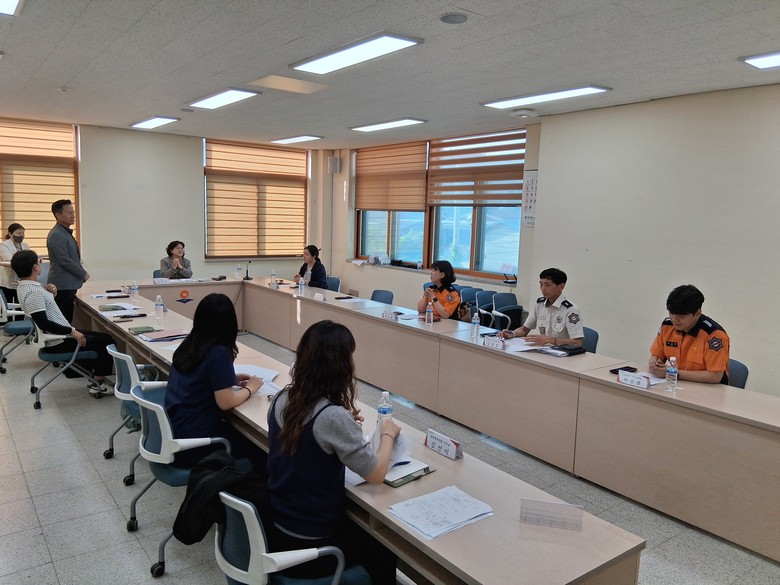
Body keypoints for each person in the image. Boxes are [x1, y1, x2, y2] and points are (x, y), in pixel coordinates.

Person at [266, 320, 400, 585]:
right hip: (312, 545)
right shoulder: (332, 417)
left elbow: (309, 435)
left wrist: (343, 422)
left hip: (278, 530)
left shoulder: (281, 398)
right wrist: (388, 434)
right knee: (385, 547)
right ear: (339, 367)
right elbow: (376, 473)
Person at [165, 293, 265, 470]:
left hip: (175, 431)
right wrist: (251, 388)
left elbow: (198, 377)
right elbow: (226, 402)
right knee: (263, 449)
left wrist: (229, 379)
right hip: (195, 444)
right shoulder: (218, 352)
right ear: (230, 323)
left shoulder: (190, 344)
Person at [12, 249, 115, 394]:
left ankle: (95, 378)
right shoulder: (33, 292)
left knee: (104, 336)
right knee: (107, 342)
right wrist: (73, 332)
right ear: (35, 267)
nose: (40, 264)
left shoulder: (26, 287)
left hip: (59, 335)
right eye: (39, 262)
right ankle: (98, 385)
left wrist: (51, 293)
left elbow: (44, 309)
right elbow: (44, 323)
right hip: (58, 341)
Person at [649, 284, 730, 384]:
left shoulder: (714, 335)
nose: (674, 320)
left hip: (709, 389)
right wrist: (655, 362)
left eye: (681, 317)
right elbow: (657, 355)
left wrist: (674, 372)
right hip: (678, 384)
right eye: (671, 314)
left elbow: (715, 376)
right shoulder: (667, 326)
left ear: (697, 313)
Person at [500, 267, 584, 345]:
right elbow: (524, 330)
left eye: (547, 285)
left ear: (561, 286)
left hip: (563, 352)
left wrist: (552, 340)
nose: (543, 289)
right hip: (543, 350)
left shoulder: (570, 310)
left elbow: (577, 342)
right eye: (541, 285)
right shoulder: (539, 304)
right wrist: (512, 334)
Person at [46, 199, 89, 323]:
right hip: (62, 286)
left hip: (68, 285)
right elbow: (64, 260)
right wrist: (83, 273)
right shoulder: (57, 234)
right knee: (64, 322)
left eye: (73, 212)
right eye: (69, 213)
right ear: (58, 215)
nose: (73, 215)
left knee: (68, 320)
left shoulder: (64, 232)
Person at [0, 223, 30, 318]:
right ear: (10, 234)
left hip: (21, 281)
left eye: (23, 233)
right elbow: (9, 259)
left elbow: (30, 258)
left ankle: (19, 323)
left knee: (20, 306)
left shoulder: (25, 245)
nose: (21, 236)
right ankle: (7, 324)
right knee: (6, 307)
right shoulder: (4, 245)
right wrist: (24, 260)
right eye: (18, 233)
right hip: (7, 281)